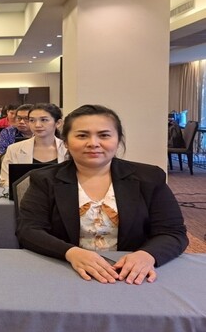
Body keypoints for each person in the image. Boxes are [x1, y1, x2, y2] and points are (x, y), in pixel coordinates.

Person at [16, 104, 188, 285]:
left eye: (104, 135)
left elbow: (172, 232)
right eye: (82, 135)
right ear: (65, 141)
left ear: (118, 140)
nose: (93, 143)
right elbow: (29, 230)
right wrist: (70, 252)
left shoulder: (149, 178)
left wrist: (147, 255)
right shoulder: (44, 179)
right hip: (66, 272)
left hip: (129, 276)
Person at [0, 103, 67, 186]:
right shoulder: (14, 149)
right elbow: (5, 182)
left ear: (58, 123)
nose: (37, 125)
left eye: (44, 120)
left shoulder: (68, 150)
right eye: (32, 120)